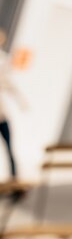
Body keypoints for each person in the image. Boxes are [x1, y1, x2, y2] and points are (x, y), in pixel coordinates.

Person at [0, 29, 27, 180]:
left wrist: (21, 100)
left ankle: (14, 177)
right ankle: (14, 177)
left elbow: (10, 85)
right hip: (2, 114)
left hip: (2, 114)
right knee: (9, 148)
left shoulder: (3, 60)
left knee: (9, 148)